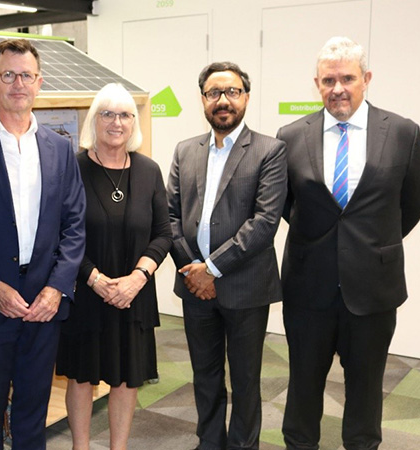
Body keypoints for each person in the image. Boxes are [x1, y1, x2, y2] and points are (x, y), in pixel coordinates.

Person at [277, 37, 420, 450]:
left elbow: (415, 201)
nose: (337, 88)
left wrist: (373, 243)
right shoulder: (290, 135)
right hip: (308, 288)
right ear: (316, 83)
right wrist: (321, 239)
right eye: (328, 80)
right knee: (303, 383)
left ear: (366, 79)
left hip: (373, 289)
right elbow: (286, 204)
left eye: (347, 78)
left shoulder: (401, 132)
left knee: (365, 388)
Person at [0, 38, 86, 450]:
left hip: (45, 302)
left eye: (26, 75)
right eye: (8, 75)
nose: (17, 84)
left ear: (39, 82)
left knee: (33, 411)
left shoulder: (61, 149)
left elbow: (75, 225)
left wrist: (57, 288)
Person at [166, 62, 287, 450]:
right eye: (214, 93)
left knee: (246, 378)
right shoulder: (186, 150)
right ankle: (210, 441)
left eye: (232, 92)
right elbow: (168, 216)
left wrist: (212, 269)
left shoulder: (270, 150)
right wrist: (191, 270)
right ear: (202, 99)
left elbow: (265, 222)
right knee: (205, 373)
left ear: (246, 97)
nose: (223, 100)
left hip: (245, 285)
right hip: (193, 286)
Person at [55, 83, 172, 450]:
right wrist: (95, 278)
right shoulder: (72, 168)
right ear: (94, 120)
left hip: (133, 293)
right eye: (107, 113)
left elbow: (163, 233)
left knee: (127, 377)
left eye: (124, 115)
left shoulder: (148, 170)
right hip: (87, 291)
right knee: (82, 376)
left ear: (133, 122)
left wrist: (137, 279)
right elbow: (62, 233)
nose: (116, 122)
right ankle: (80, 446)